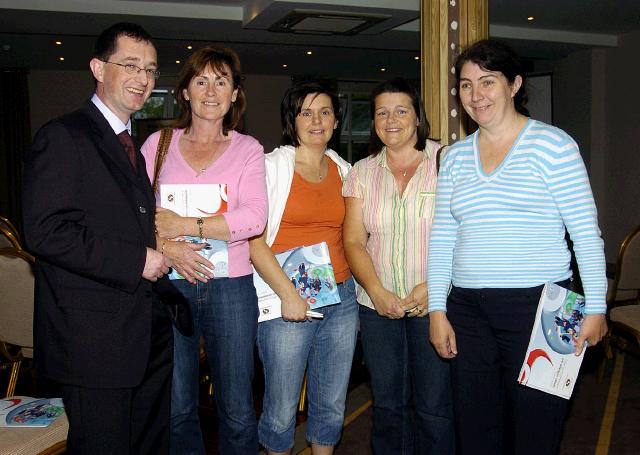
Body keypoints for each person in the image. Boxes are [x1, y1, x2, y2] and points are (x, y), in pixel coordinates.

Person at [427, 39, 608, 455]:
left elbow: (585, 232)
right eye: (466, 85)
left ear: (514, 84)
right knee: (475, 426)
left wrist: (596, 306)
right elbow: (442, 239)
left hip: (545, 306)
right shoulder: (453, 157)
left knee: (537, 427)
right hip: (468, 310)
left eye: (487, 82)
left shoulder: (553, 145)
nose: (476, 95)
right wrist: (438, 309)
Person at [22, 23, 173, 454]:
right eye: (130, 65)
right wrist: (136, 260)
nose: (142, 79)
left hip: (144, 333)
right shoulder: (64, 136)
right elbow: (46, 231)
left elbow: (125, 222)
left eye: (150, 69)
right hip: (94, 341)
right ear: (97, 68)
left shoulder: (128, 143)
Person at [141, 45, 267, 455]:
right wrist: (167, 245)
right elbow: (133, 215)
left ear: (234, 95)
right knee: (176, 407)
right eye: (201, 81)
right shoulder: (157, 145)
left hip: (230, 288)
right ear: (184, 93)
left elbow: (253, 219)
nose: (211, 91)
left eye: (221, 81)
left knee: (236, 410)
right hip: (168, 286)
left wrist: (184, 225)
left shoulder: (248, 150)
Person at [343, 77, 454, 454]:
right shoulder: (361, 172)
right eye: (381, 112)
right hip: (378, 305)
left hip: (435, 303)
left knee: (435, 405)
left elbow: (466, 235)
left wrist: (433, 288)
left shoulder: (447, 162)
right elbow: (354, 240)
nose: (391, 120)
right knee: (389, 404)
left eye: (401, 110)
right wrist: (376, 292)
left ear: (417, 117)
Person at [250, 78, 358, 455]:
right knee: (280, 409)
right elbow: (253, 240)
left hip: (342, 298)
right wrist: (288, 294)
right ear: (291, 120)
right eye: (306, 112)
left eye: (325, 112)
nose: (317, 120)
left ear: (336, 119)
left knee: (330, 404)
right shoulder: (269, 168)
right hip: (286, 300)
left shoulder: (345, 171)